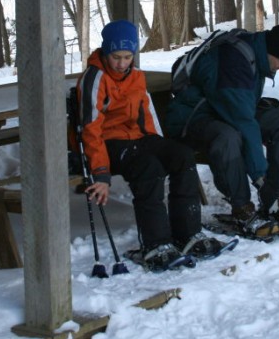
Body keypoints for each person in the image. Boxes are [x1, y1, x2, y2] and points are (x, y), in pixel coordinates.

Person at [76, 19, 223, 270]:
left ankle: (187, 233)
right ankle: (155, 243)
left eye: (127, 57)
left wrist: (158, 145)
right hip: (108, 142)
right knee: (148, 167)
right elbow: (90, 130)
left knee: (182, 156)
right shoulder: (95, 78)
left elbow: (145, 117)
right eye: (116, 57)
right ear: (106, 52)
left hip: (137, 138)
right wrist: (100, 173)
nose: (122, 64)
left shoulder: (135, 76)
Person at [164, 23, 279, 238]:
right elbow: (242, 121)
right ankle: (242, 209)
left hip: (225, 112)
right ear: (270, 51)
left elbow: (242, 111)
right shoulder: (233, 59)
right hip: (193, 119)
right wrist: (261, 178)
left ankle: (277, 202)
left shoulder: (256, 56)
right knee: (228, 136)